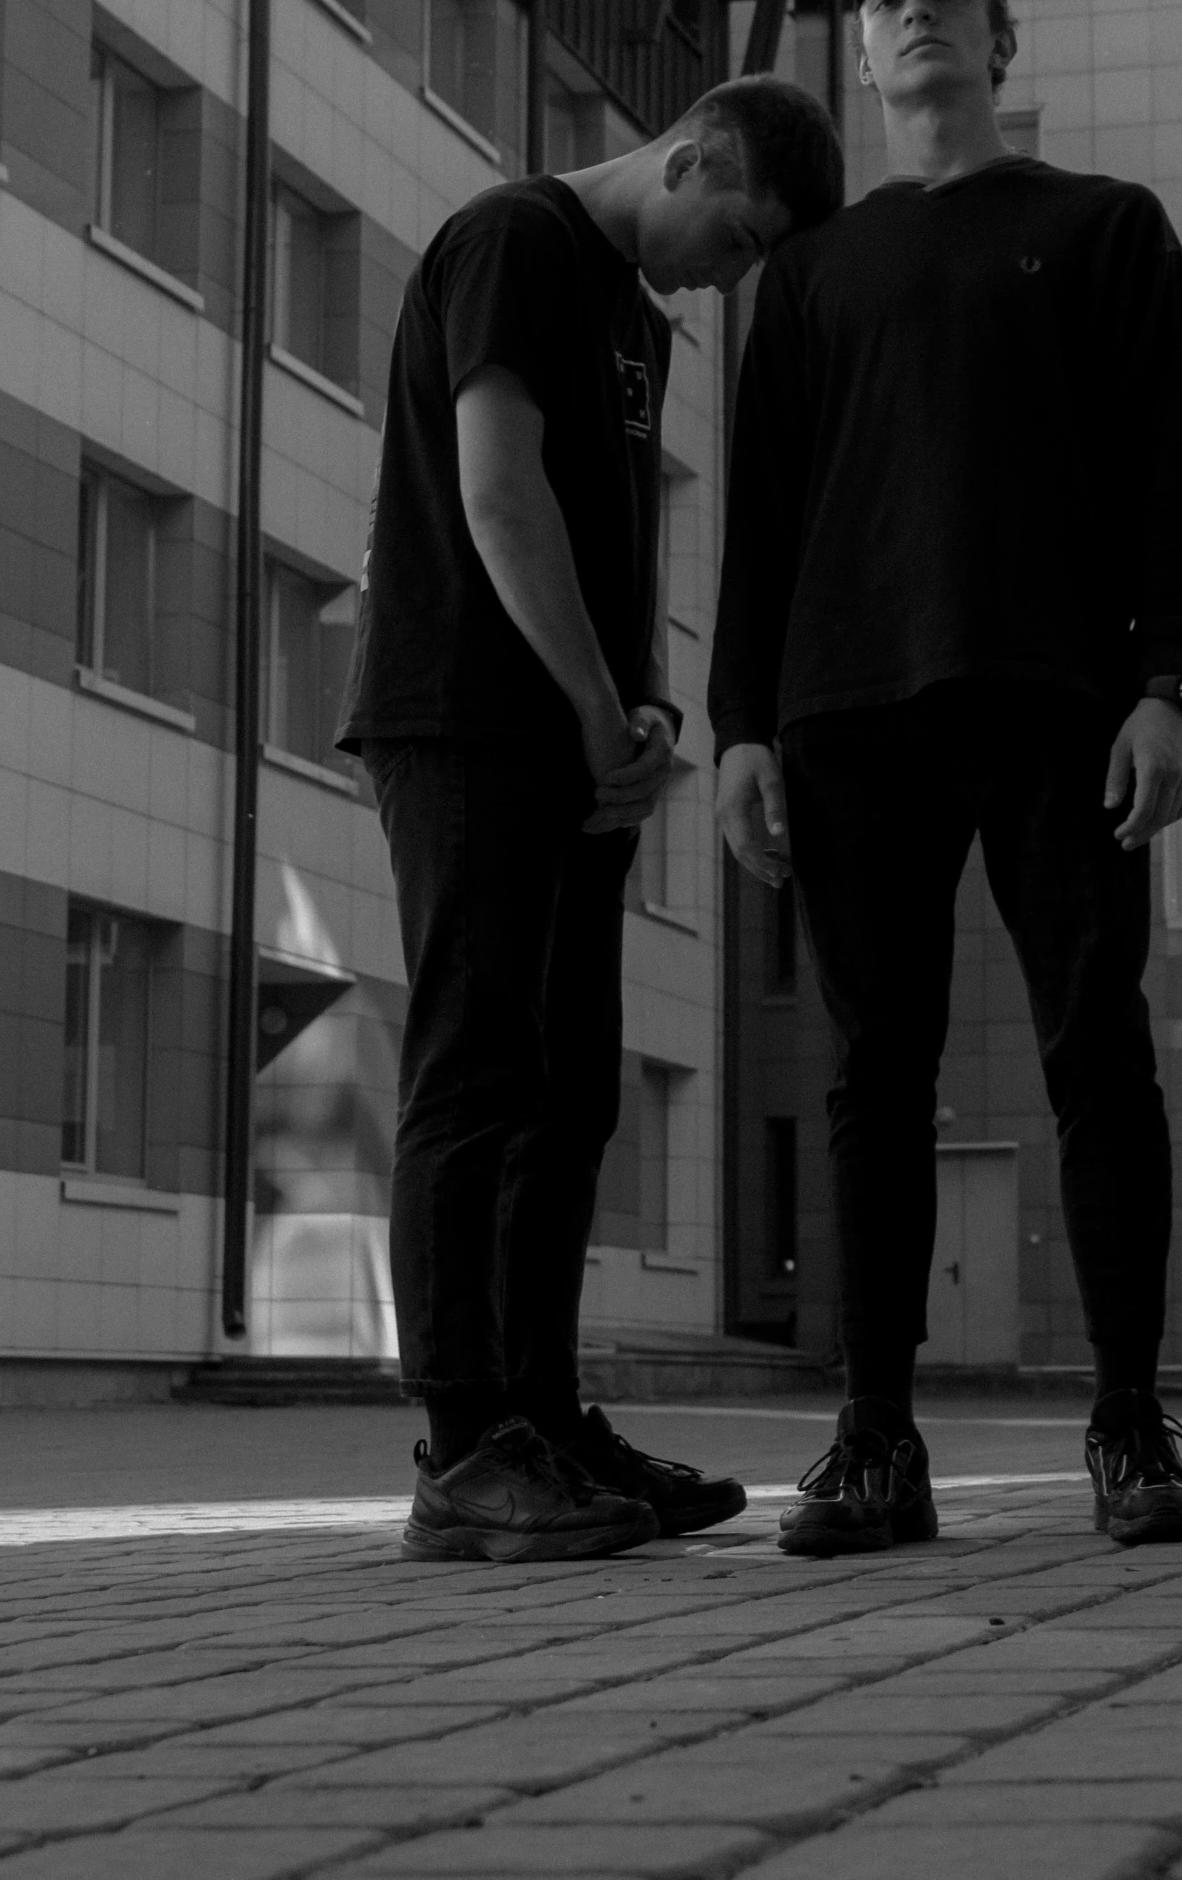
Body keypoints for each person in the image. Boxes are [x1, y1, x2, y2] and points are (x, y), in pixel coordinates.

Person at [709, 0, 1182, 1555]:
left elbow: (1163, 469)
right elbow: (762, 525)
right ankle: (872, 1445)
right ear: (858, 58)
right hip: (846, 711)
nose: (912, 14)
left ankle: (1130, 1426)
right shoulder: (803, 278)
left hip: (1062, 697)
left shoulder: (1104, 230)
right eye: (883, 3)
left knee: (1096, 1053)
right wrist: (737, 729)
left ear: (998, 46)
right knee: (872, 1072)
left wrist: (1168, 682)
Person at [337, 75, 845, 1562]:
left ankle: (543, 1418)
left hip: (578, 741)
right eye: (737, 236)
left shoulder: (635, 315)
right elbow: (499, 499)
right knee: (475, 1068)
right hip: (470, 720)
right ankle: (461, 1443)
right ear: (688, 155)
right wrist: (584, 705)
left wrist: (651, 713)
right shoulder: (512, 239)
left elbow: (611, 542)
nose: (730, 274)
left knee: (571, 1091)